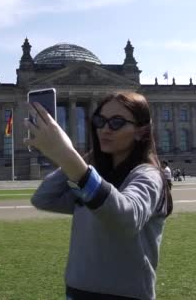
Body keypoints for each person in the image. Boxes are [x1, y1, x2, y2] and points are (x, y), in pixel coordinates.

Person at [28, 91, 172, 300]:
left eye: (116, 122)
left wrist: (66, 155)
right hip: (77, 292)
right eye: (100, 121)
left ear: (141, 132)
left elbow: (126, 217)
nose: (105, 129)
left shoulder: (147, 175)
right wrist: (82, 159)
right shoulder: (94, 178)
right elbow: (43, 198)